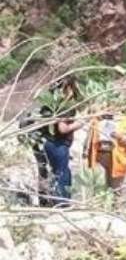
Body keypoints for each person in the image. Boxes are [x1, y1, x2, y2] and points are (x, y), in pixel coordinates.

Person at [42, 77, 84, 206]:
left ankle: (52, 201)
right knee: (62, 174)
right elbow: (63, 128)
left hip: (48, 143)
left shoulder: (48, 105)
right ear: (68, 88)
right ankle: (62, 204)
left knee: (56, 172)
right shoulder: (64, 106)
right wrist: (78, 124)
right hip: (58, 144)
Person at [85, 110, 126, 192]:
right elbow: (88, 140)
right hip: (99, 158)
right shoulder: (96, 120)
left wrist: (120, 137)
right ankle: (100, 204)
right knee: (99, 189)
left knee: (116, 190)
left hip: (118, 159)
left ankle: (114, 204)